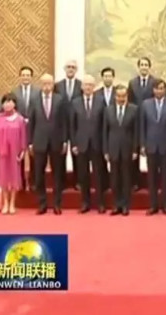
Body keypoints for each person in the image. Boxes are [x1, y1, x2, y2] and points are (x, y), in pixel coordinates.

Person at [28, 74, 67, 215]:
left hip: (56, 141)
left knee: (57, 174)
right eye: (44, 83)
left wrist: (65, 140)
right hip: (39, 142)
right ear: (41, 84)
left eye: (49, 83)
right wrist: (30, 142)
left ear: (53, 84)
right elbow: (31, 122)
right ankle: (42, 203)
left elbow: (64, 122)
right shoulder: (34, 99)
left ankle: (57, 204)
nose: (46, 86)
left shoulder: (59, 99)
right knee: (39, 175)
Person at [69, 74, 107, 214]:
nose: (88, 87)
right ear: (82, 87)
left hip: (97, 144)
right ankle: (85, 203)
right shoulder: (75, 102)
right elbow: (72, 125)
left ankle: (100, 203)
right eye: (86, 85)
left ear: (94, 86)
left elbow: (104, 125)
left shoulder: (101, 101)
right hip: (81, 144)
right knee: (83, 176)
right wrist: (73, 144)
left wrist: (104, 144)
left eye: (91, 85)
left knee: (99, 175)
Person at [140, 79, 166, 215]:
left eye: (161, 88)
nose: (159, 91)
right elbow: (142, 126)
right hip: (151, 146)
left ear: (165, 90)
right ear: (153, 90)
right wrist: (142, 144)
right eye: (157, 88)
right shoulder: (146, 104)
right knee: (152, 178)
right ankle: (153, 205)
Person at [104, 84, 139, 215]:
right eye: (118, 96)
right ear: (115, 96)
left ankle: (125, 205)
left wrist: (135, 149)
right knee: (114, 178)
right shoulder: (108, 110)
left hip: (127, 148)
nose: (121, 98)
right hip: (113, 148)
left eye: (123, 96)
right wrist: (105, 150)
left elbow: (136, 131)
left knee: (126, 178)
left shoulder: (134, 109)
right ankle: (116, 204)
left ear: (127, 96)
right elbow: (104, 131)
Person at [0, 93, 28, 214]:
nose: (8, 104)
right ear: (2, 104)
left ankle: (12, 203)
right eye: (5, 102)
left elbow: (23, 136)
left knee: (14, 178)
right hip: (2, 153)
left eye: (10, 102)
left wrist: (22, 151)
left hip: (15, 153)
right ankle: (5, 203)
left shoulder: (20, 119)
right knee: (3, 178)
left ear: (14, 104)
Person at [127, 57, 156, 191]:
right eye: (142, 65)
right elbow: (130, 101)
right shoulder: (132, 83)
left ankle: (152, 182)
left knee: (151, 153)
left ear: (149, 67)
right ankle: (135, 182)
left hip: (151, 120)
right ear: (138, 67)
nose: (144, 67)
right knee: (135, 151)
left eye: (146, 65)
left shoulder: (154, 82)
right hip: (135, 119)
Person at [54, 60, 83, 189]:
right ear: (65, 69)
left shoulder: (81, 85)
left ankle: (78, 181)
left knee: (77, 154)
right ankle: (62, 182)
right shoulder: (57, 86)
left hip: (77, 123)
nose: (71, 69)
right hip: (61, 124)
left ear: (76, 70)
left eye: (73, 67)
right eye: (68, 67)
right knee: (61, 154)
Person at [12, 66, 39, 190]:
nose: (25, 77)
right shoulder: (14, 92)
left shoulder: (38, 92)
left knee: (34, 156)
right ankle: (21, 182)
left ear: (31, 77)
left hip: (34, 127)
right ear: (20, 76)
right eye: (23, 75)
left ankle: (33, 182)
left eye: (28, 75)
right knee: (20, 155)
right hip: (18, 128)